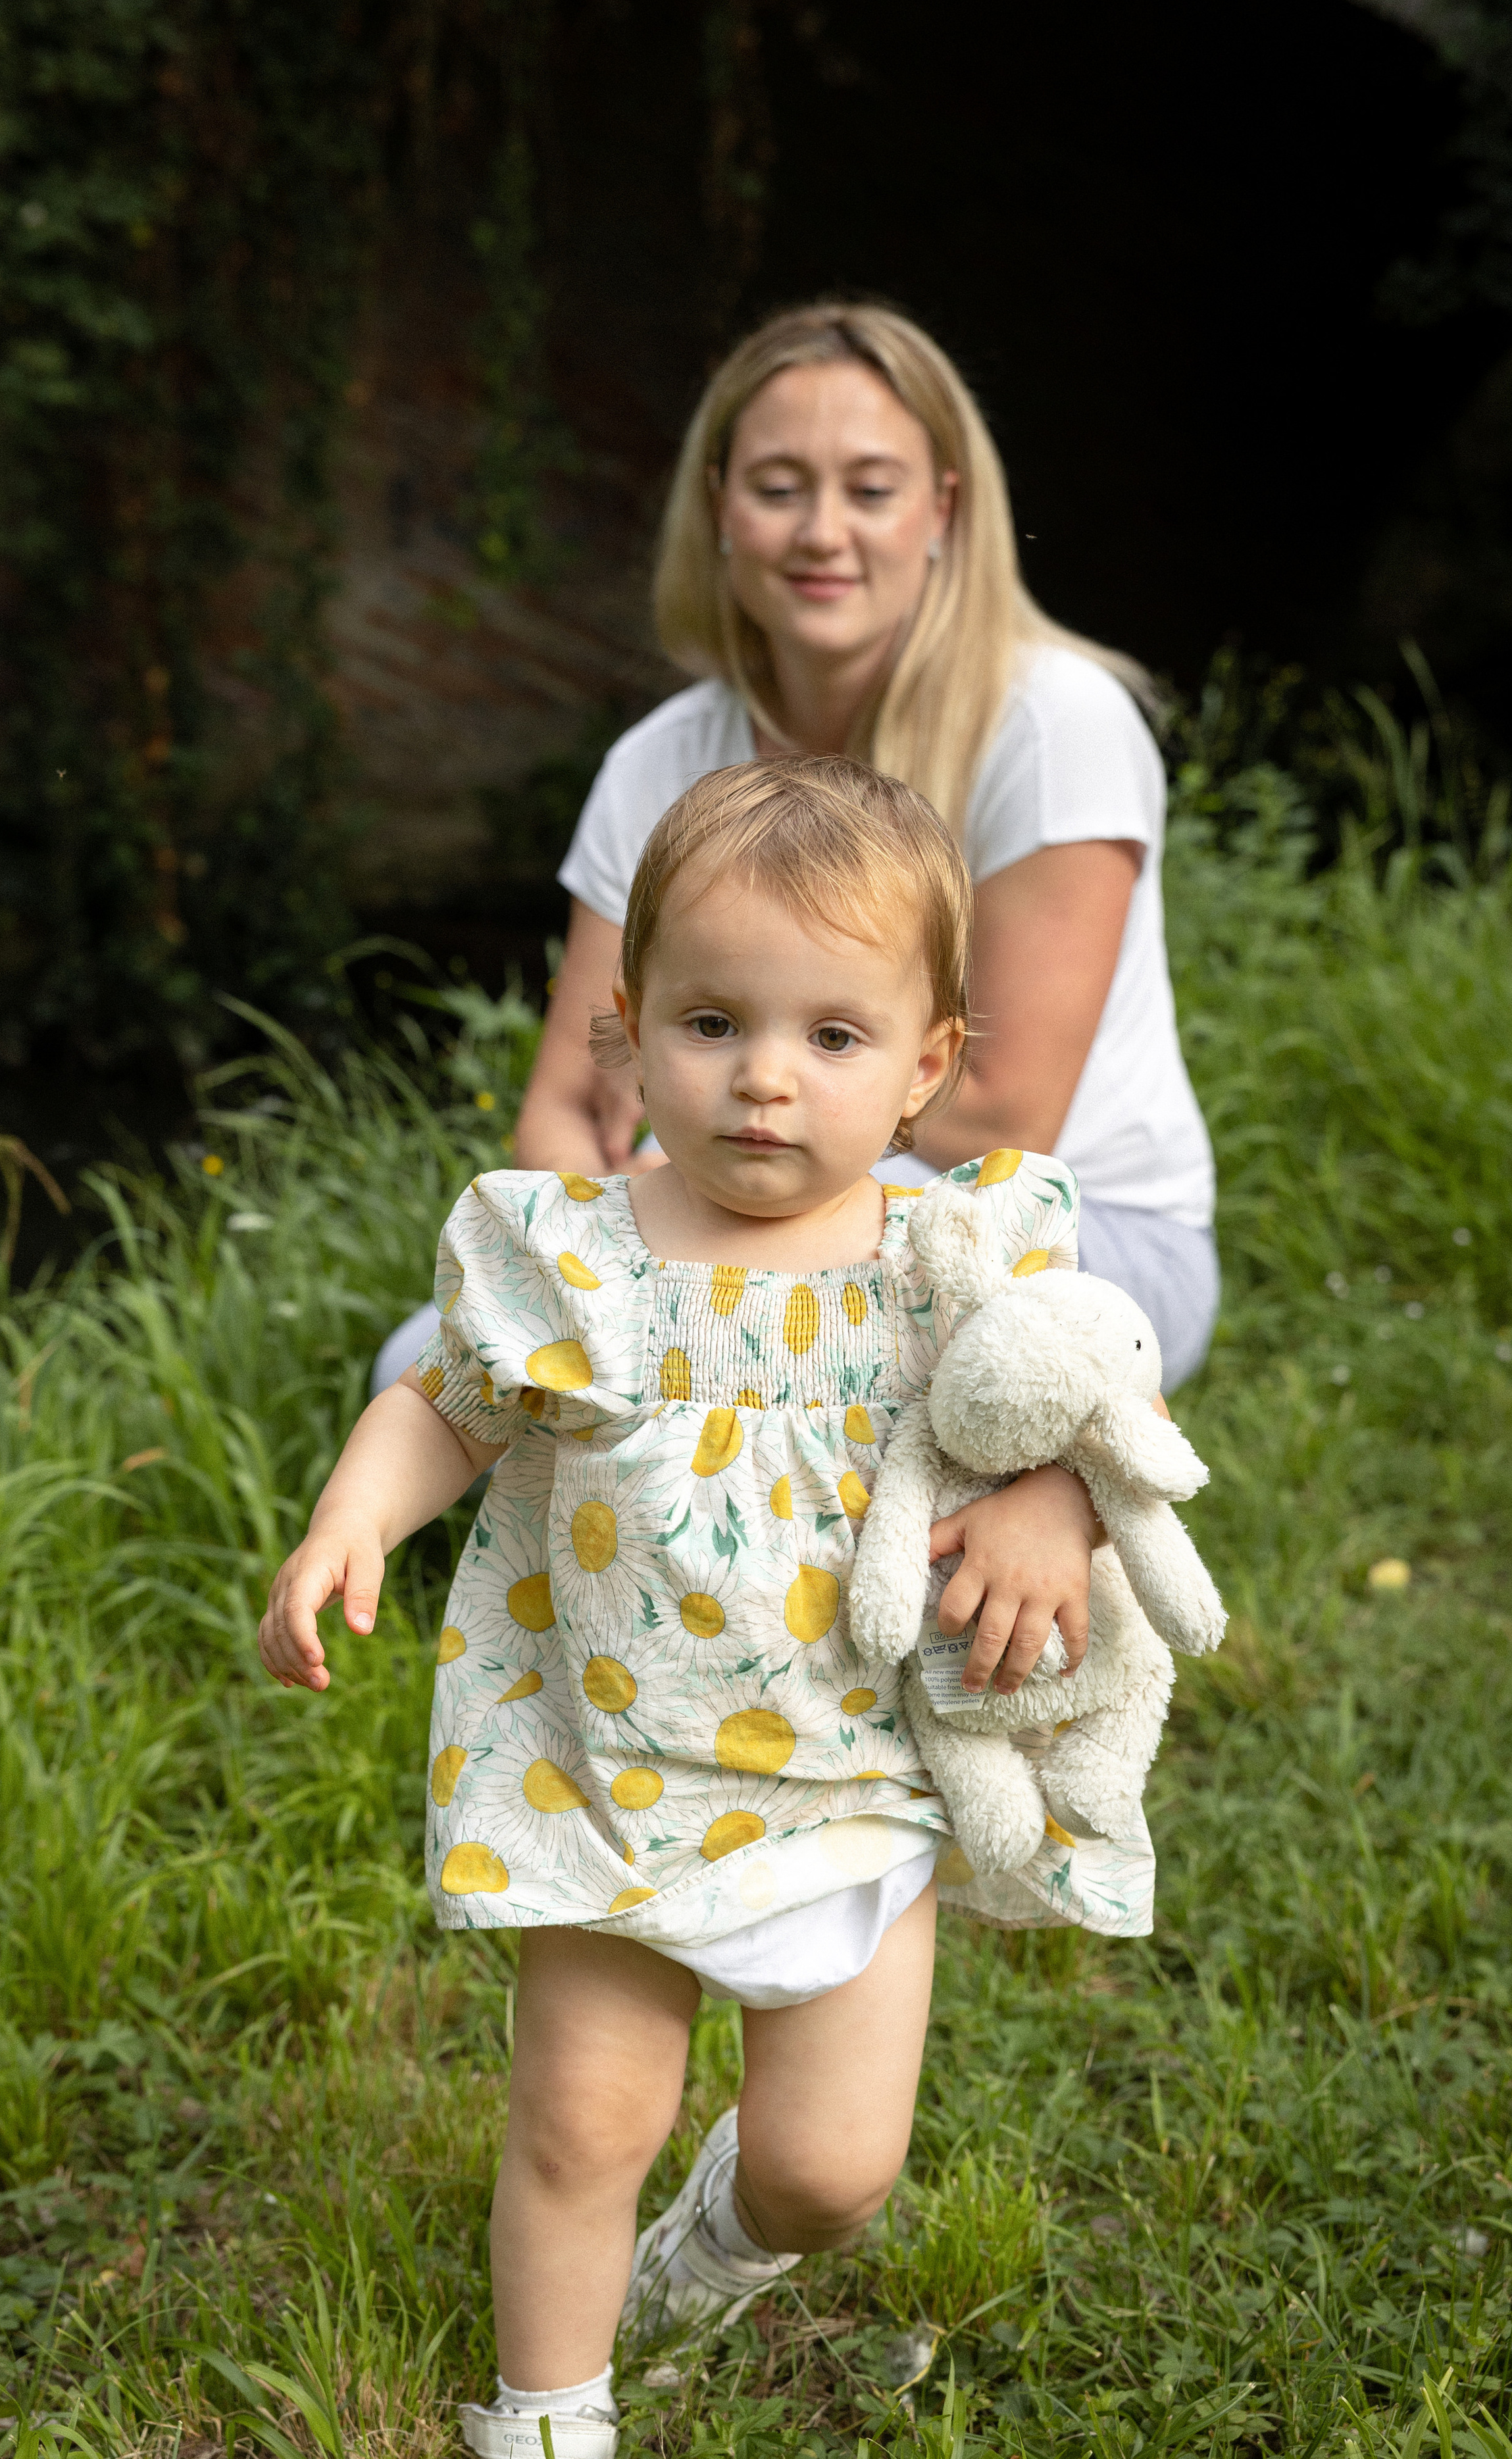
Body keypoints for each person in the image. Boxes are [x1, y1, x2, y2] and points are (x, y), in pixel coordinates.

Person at [267, 761, 1166, 2459]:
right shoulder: (570, 1255)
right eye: (707, 1021)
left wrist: (1048, 1498)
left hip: (848, 1778)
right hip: (601, 1770)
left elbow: (1076, 1397)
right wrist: (350, 1519)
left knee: (829, 2169)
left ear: (926, 1066)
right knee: (580, 2123)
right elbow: (446, 1406)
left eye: (831, 1038)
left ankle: (719, 2246)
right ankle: (546, 2413)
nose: (761, 1079)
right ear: (623, 1037)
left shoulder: (954, 1255)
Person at [375, 301, 1216, 1403]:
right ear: (720, 506)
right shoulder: (658, 761)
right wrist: (604, 1254)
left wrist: (694, 1170)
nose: (825, 533)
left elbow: (1002, 1114)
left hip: (1059, 1227)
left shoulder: (1057, 723)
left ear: (942, 513)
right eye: (779, 488)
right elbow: (576, 1094)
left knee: (811, 1364)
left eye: (871, 490)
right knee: (419, 1366)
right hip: (725, 1179)